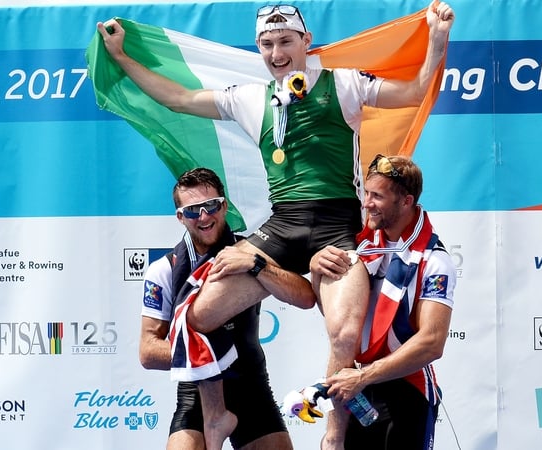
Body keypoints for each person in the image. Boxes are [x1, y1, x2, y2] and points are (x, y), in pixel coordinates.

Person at [97, 3, 454, 448]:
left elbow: (417, 90)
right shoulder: (248, 98)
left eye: (286, 41)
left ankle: (333, 435)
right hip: (282, 228)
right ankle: (215, 418)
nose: (276, 52)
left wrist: (437, 38)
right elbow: (178, 98)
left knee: (344, 333)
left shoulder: (343, 83)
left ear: (306, 42)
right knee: (198, 315)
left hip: (336, 229)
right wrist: (122, 57)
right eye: (267, 44)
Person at [139, 168, 314, 450]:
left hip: (251, 386)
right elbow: (148, 352)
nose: (205, 217)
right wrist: (209, 349)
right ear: (180, 217)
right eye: (194, 210)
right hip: (197, 390)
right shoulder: (165, 270)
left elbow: (305, 296)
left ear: (224, 205)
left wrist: (256, 266)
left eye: (211, 206)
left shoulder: (250, 251)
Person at [310, 155, 456, 449]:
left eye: (377, 196)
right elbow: (333, 314)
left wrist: (364, 376)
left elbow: (432, 342)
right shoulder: (360, 245)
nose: (366, 203)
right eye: (366, 193)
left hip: (407, 387)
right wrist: (315, 269)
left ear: (406, 201)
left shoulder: (434, 260)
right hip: (358, 386)